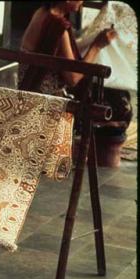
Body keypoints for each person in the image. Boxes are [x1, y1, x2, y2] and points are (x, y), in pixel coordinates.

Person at [18, 1, 132, 167]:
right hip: (47, 103)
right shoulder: (58, 27)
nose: (82, 1)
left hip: (30, 93)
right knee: (118, 106)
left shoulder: (41, 12)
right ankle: (73, 148)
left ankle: (75, 147)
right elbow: (74, 78)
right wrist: (97, 45)